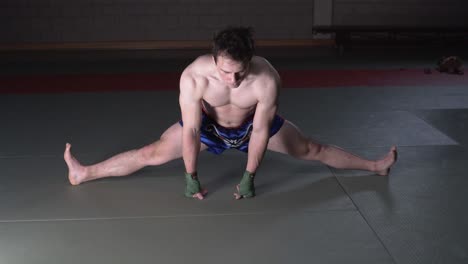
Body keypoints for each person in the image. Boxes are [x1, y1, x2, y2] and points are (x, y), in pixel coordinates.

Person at [64, 26, 397, 200]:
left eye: (240, 72)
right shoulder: (193, 76)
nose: (233, 80)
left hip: (251, 127)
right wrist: (190, 176)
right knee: (152, 152)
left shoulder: (266, 79)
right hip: (209, 128)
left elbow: (263, 132)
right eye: (225, 72)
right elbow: (192, 131)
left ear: (250, 59)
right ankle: (84, 173)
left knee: (312, 149)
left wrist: (250, 176)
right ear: (214, 58)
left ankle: (375, 166)